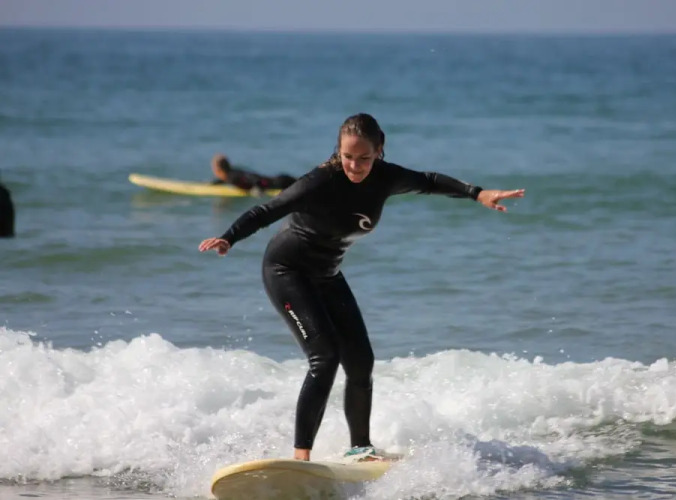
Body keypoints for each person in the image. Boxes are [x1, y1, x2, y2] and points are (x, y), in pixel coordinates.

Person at [199, 113, 525, 462]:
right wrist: (229, 237)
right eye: (347, 156)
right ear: (338, 151)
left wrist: (477, 193)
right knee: (325, 358)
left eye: (364, 157)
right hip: (286, 271)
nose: (355, 165)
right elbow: (267, 210)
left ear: (379, 150)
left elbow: (429, 181)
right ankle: (300, 457)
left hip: (327, 274)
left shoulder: (386, 177)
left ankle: (360, 448)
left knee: (360, 362)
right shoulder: (319, 182)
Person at [211, 154, 297, 191]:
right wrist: (214, 183)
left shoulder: (232, 177)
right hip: (279, 180)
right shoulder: (231, 174)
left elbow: (251, 177)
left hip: (280, 183)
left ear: (218, 170)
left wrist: (258, 187)